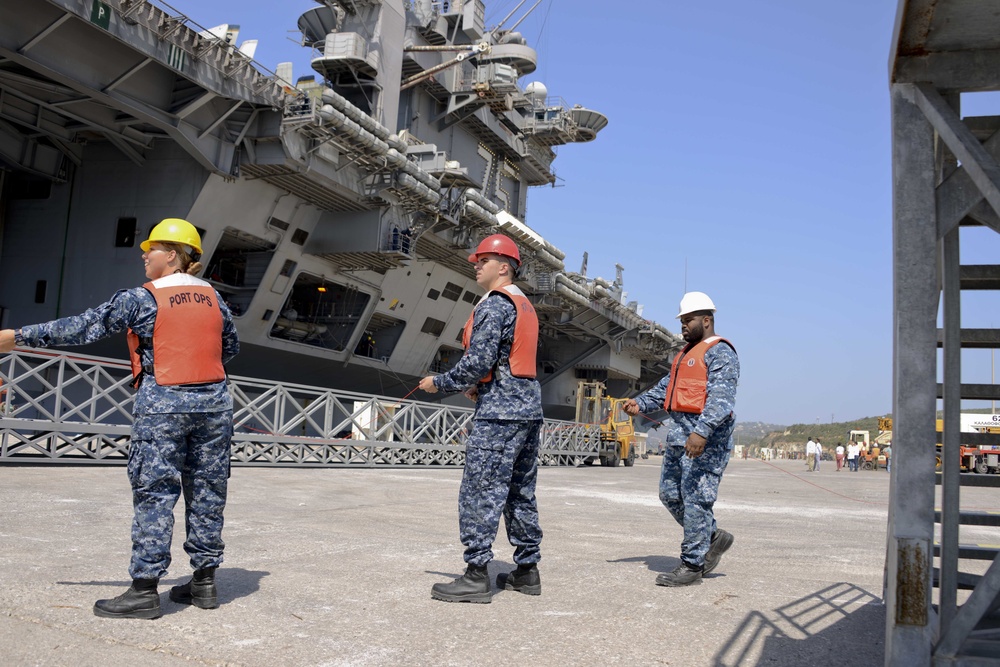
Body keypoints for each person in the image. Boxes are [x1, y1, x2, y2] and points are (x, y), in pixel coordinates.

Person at [0, 218, 239, 619]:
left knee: (155, 493)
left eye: (152, 249)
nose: (144, 255)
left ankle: (144, 590)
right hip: (215, 405)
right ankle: (204, 583)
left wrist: (15, 337)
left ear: (173, 255)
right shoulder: (215, 298)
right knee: (208, 492)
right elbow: (228, 346)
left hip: (164, 404)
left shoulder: (142, 298)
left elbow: (82, 327)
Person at [418, 234, 543, 603]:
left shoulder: (494, 305)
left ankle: (475, 575)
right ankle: (526, 570)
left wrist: (439, 383)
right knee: (520, 492)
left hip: (500, 415)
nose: (476, 265)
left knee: (480, 491)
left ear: (503, 267)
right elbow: (507, 362)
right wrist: (480, 386)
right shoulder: (522, 304)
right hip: (526, 409)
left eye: (483, 260)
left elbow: (477, 362)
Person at [623, 291, 740, 587]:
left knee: (696, 499)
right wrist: (640, 403)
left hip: (705, 441)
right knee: (669, 494)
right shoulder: (686, 354)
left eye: (688, 320)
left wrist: (702, 432)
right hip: (678, 438)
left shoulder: (720, 351)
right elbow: (667, 387)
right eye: (682, 321)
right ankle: (713, 536)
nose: (683, 326)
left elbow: (721, 399)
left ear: (706, 320)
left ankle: (692, 564)